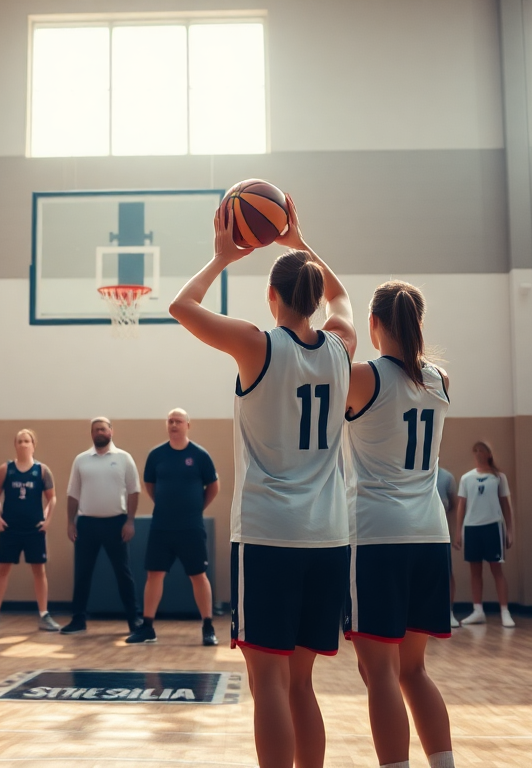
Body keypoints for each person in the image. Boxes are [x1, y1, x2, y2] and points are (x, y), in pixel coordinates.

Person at [169, 195, 354, 768]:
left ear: (271, 297)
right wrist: (298, 242)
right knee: (302, 686)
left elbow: (181, 305)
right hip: (328, 537)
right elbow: (344, 297)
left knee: (268, 684)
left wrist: (223, 256)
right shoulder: (343, 347)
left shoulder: (255, 343)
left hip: (270, 535)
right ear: (317, 298)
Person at [342, 281, 455, 768]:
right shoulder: (440, 379)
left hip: (377, 535)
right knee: (413, 670)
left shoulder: (363, 378)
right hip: (431, 534)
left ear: (374, 325)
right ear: (417, 323)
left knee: (380, 672)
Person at [126, 408, 220, 646]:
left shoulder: (199, 455)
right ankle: (147, 627)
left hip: (191, 527)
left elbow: (213, 487)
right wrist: (165, 505)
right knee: (154, 574)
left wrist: (196, 507)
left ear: (188, 425)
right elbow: (150, 485)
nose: (174, 424)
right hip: (162, 527)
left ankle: (208, 627)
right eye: (170, 421)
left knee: (198, 575)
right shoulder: (157, 455)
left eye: (178, 421)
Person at [59, 418, 143, 636]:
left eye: (103, 428)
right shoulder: (81, 460)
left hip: (116, 523)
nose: (99, 432)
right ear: (91, 434)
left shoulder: (124, 458)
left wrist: (130, 521)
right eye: (95, 429)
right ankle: (78, 620)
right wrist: (70, 522)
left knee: (123, 574)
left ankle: (134, 620)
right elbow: (72, 493)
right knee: (82, 573)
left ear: (111, 431)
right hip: (86, 524)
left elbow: (134, 491)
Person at [0, 429, 60, 633]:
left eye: (27, 441)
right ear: (15, 445)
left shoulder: (42, 470)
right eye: (20, 441)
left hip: (34, 529)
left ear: (34, 445)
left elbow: (52, 497)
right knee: (3, 570)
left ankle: (44, 615)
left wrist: (47, 519)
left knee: (39, 571)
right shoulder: (5, 469)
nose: (24, 444)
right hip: (11, 528)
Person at [453, 442, 515, 627]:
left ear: (489, 453)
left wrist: (509, 530)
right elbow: (461, 506)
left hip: (492, 527)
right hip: (471, 528)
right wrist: (458, 531)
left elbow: (506, 505)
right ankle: (478, 610)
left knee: (497, 569)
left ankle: (505, 610)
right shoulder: (466, 478)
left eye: (482, 450)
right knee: (475, 571)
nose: (478, 453)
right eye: (475, 451)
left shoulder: (499, 477)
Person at [436, 466, 459, 629]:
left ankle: (448, 612)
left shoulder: (446, 477)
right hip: (416, 534)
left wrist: (456, 532)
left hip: (440, 534)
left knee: (446, 573)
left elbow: (455, 506)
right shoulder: (411, 474)